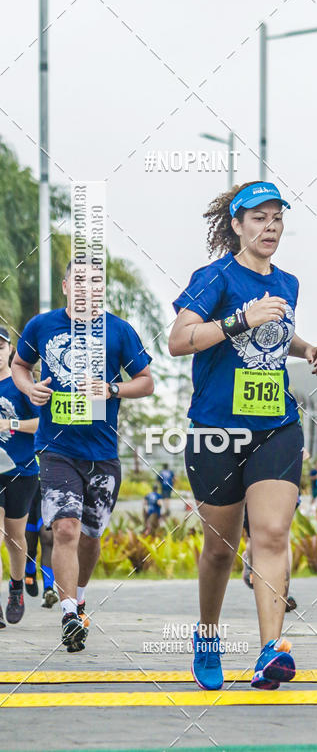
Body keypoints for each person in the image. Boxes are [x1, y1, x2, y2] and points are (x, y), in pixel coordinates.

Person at [169, 180, 317, 691]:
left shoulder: (289, 283)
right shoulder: (213, 278)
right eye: (258, 218)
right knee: (219, 548)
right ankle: (208, 636)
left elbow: (275, 333)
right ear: (236, 226)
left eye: (277, 218)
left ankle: (269, 651)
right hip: (217, 429)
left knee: (273, 534)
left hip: (275, 426)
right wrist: (241, 318)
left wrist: (306, 349)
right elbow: (178, 341)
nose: (271, 227)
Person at [12, 260, 154, 650]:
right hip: (56, 448)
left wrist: (112, 390)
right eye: (80, 280)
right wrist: (28, 389)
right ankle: (70, 611)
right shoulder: (42, 326)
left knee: (90, 535)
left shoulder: (120, 331)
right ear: (65, 286)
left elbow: (146, 383)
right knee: (65, 528)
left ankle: (81, 592)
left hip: (103, 453)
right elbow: (20, 365)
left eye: (96, 281)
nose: (87, 287)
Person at [0, 325, 40, 627]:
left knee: (14, 537)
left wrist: (10, 424)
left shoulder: (20, 383)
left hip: (22, 469)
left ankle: (16, 588)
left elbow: (43, 424)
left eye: (1, 347)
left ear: (9, 351)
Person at [24, 482, 59, 609]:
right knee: (29, 544)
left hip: (47, 485)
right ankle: (29, 572)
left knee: (48, 537)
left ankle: (48, 589)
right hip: (24, 484)